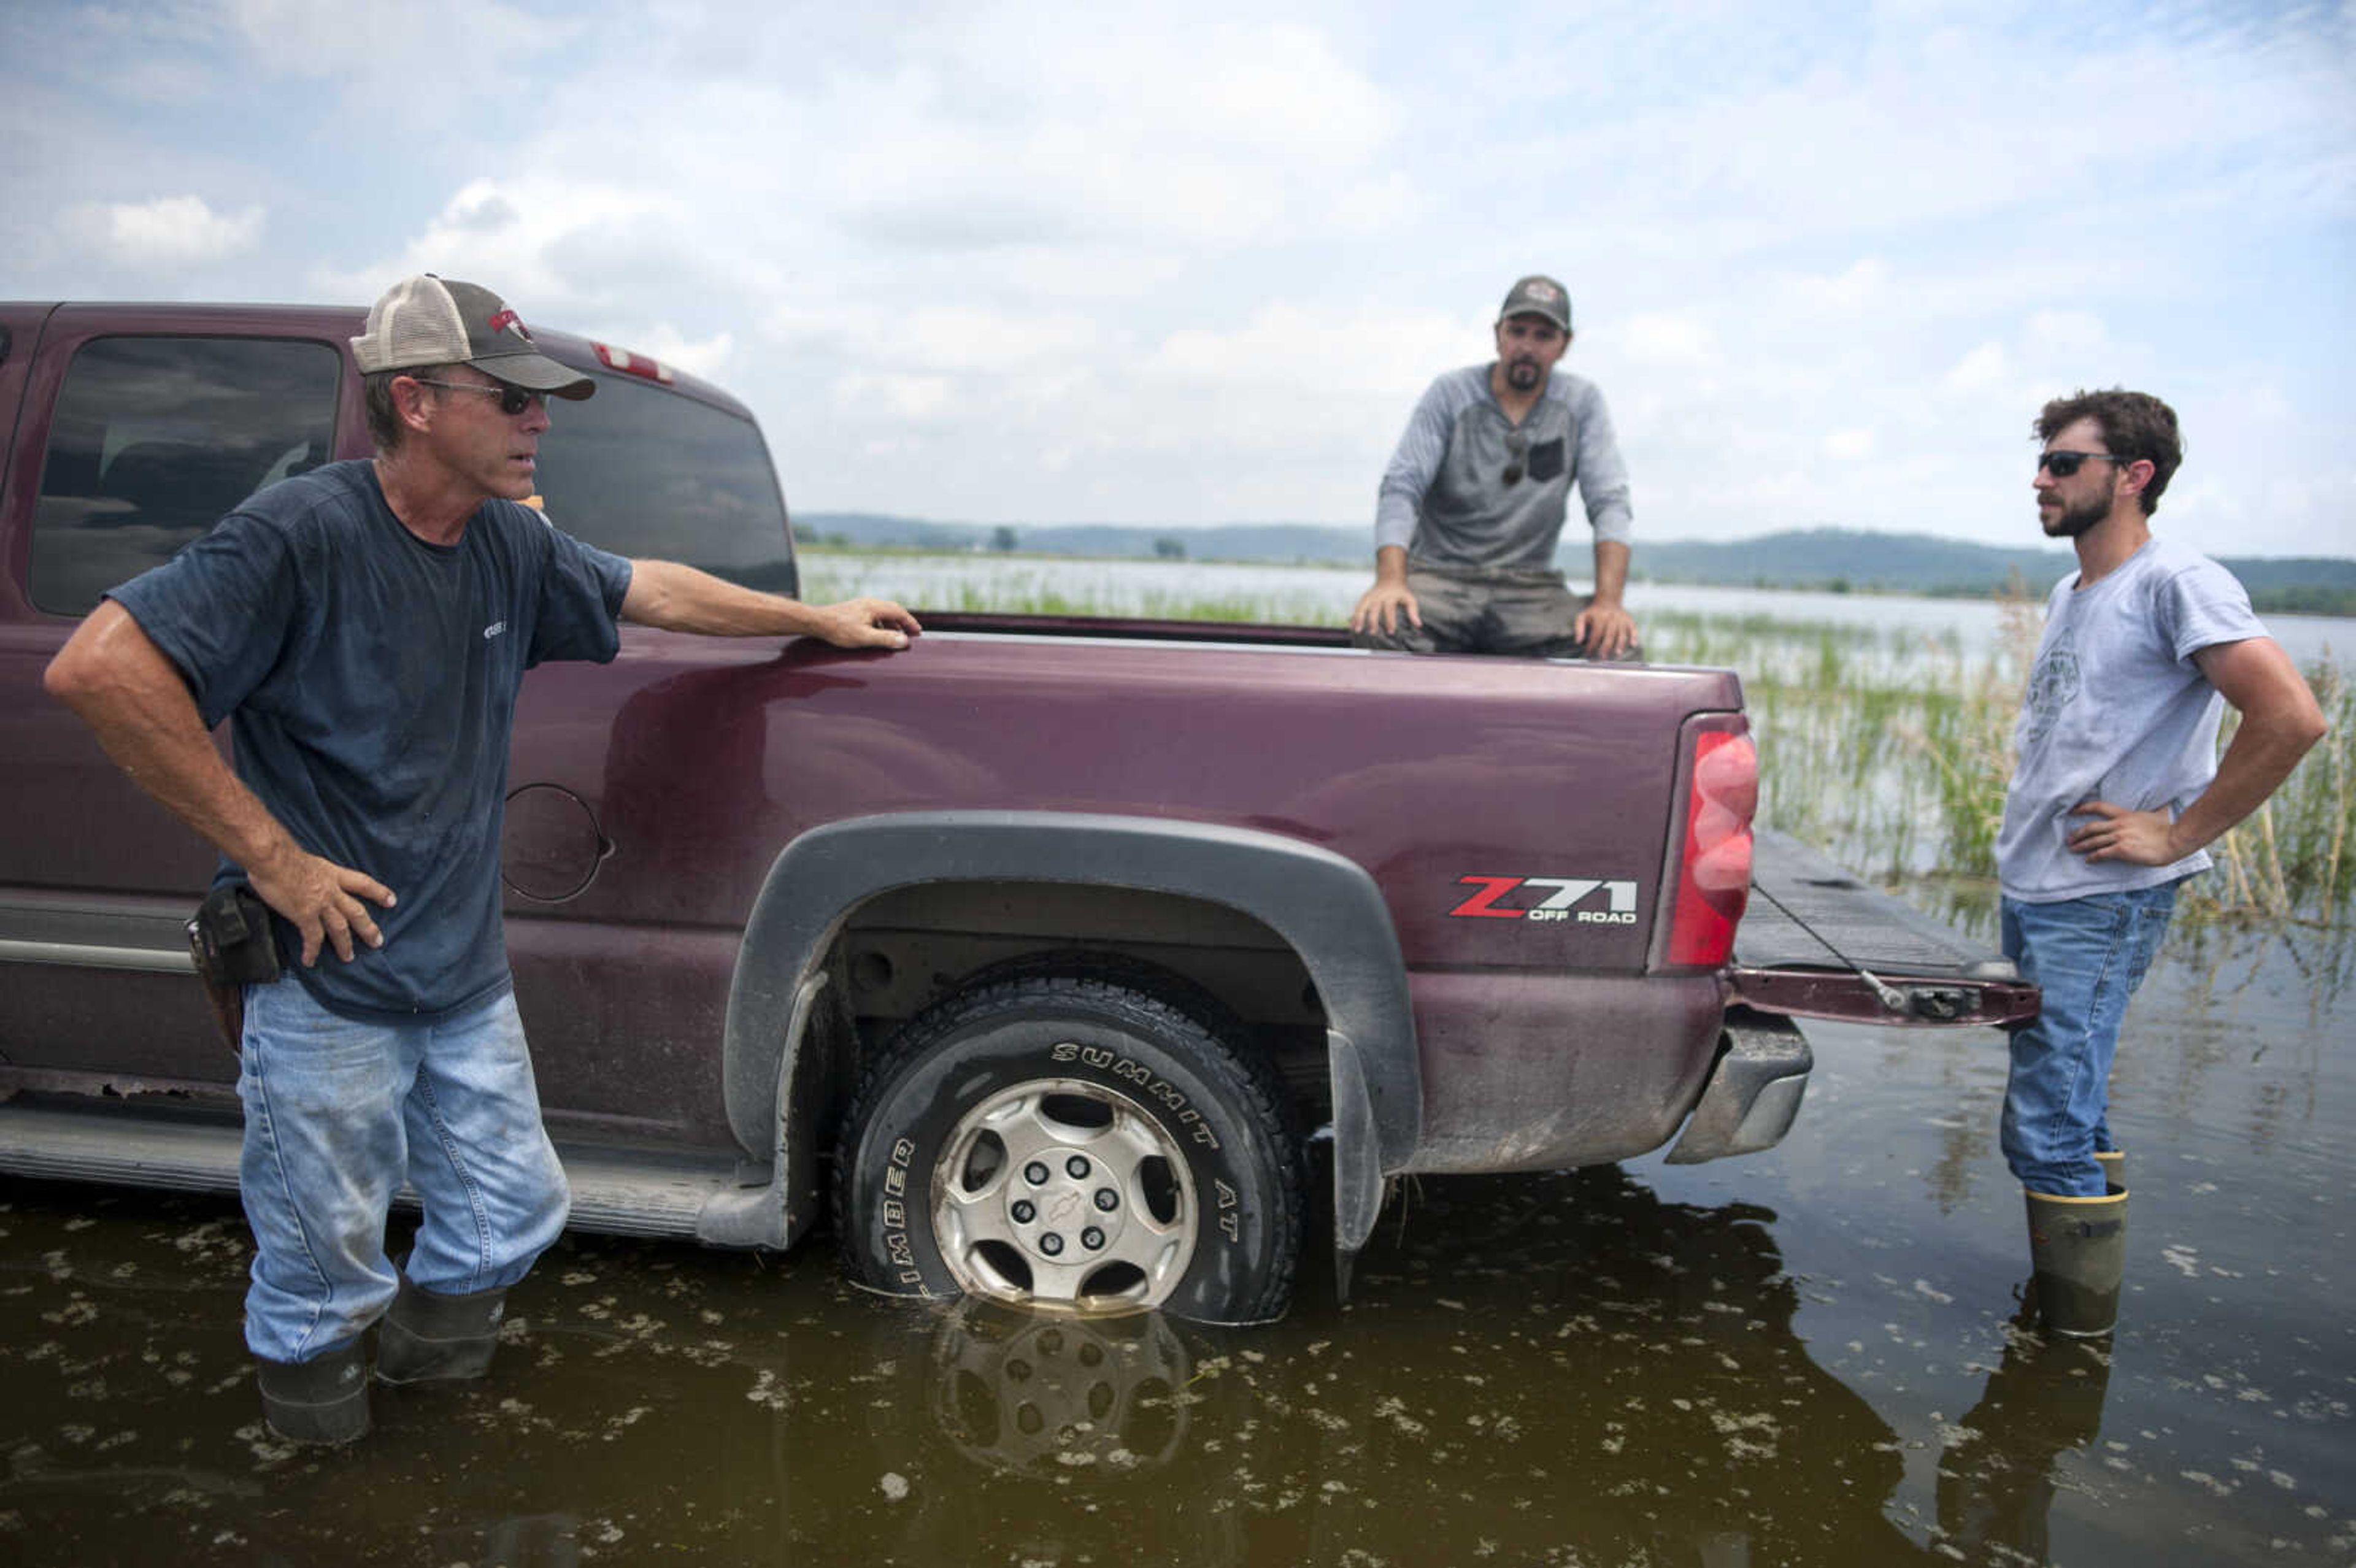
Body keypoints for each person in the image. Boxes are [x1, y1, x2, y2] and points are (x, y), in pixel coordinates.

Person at [41, 274, 923, 1444]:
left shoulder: (509, 543)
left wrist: (815, 621)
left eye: (540, 402)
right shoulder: (301, 534)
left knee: (513, 1213)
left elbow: (646, 586)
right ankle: (324, 1476)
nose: (538, 421)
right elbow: (100, 668)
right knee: (321, 1271)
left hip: (458, 976)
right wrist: (272, 856)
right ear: (413, 401)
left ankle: (426, 1416)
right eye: (509, 399)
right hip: (322, 970)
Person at [1995, 388, 2325, 1336]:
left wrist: (2178, 836)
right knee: (2072, 1109)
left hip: (2100, 898)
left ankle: (2071, 1340)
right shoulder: (2072, 590)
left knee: (2048, 1125)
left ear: (2132, 477)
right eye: (2044, 461)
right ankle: (2063, 1351)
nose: (2041, 479)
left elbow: (2292, 717)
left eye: (2065, 463)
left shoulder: (2180, 581)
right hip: (2043, 888)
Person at [1350, 274, 1638, 659]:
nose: (1527, 347)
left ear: (1564, 345)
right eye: (1517, 331)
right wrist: (1389, 581)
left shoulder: (1581, 404)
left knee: (1615, 646)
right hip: (1439, 580)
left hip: (1530, 590)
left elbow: (1610, 502)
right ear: (1497, 334)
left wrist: (1609, 602)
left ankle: (1539, 722)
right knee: (1382, 625)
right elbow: (1402, 486)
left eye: (1543, 336)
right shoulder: (1451, 394)